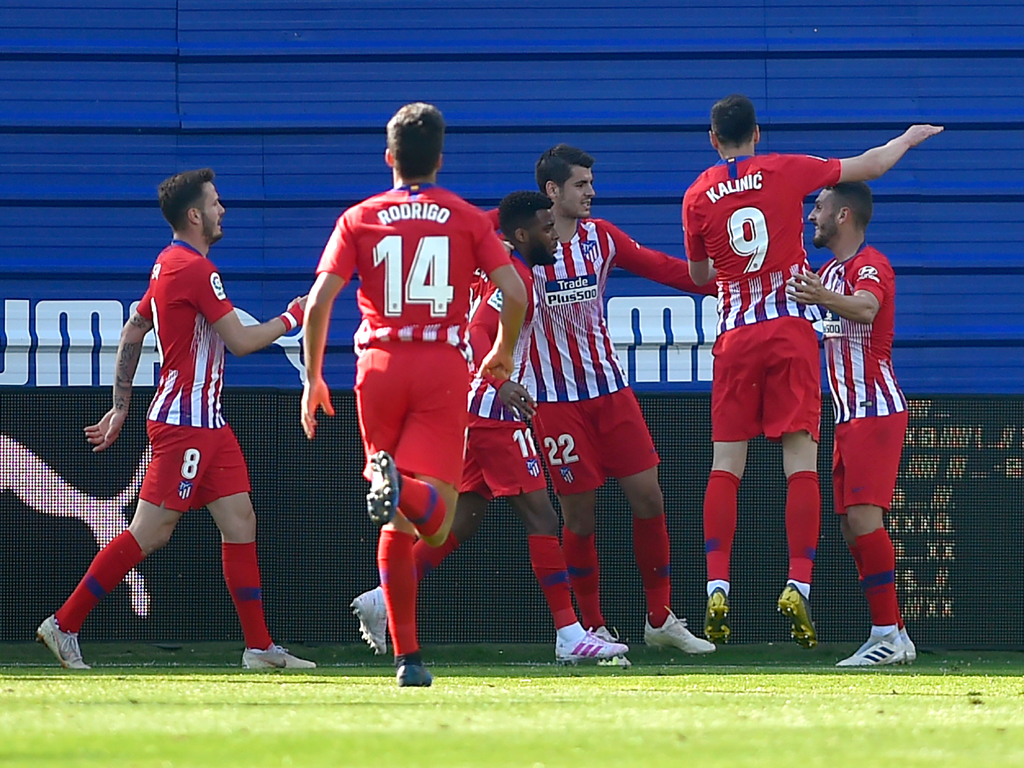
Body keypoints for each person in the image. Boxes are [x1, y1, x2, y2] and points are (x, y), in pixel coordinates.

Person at [682, 93, 941, 647]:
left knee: (726, 464)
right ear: (756, 134)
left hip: (734, 333)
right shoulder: (782, 170)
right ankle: (798, 582)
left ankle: (715, 584)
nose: (814, 213)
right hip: (789, 329)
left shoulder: (697, 193)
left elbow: (700, 273)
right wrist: (907, 139)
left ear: (712, 139)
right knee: (800, 464)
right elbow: (869, 165)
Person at [36, 168, 315, 670]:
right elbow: (242, 342)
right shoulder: (193, 269)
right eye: (215, 203)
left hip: (208, 424)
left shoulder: (167, 264)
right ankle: (64, 624)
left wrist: (121, 406)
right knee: (150, 532)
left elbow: (135, 327)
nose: (222, 210)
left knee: (240, 521)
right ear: (195, 215)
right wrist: (295, 316)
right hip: (186, 424)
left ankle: (258, 648)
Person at [351, 191, 630, 665]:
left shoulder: (500, 262)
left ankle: (383, 598)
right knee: (542, 518)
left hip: (467, 404)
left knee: (466, 513)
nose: (555, 238)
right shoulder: (514, 274)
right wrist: (499, 381)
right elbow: (481, 329)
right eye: (546, 229)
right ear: (521, 235)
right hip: (490, 410)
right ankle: (568, 634)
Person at [301, 103, 527, 687]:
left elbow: (321, 300)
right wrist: (502, 350)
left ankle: (409, 659)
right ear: (440, 158)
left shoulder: (361, 217)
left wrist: (312, 378)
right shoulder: (464, 217)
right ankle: (397, 485)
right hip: (439, 368)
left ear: (389, 157)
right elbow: (512, 290)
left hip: (376, 364)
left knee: (396, 522)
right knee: (435, 519)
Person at [523, 144, 715, 654]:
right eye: (581, 185)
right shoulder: (522, 247)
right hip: (555, 403)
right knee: (579, 517)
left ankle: (659, 617)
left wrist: (730, 285)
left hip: (611, 392)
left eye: (591, 183)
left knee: (649, 498)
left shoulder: (601, 239)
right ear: (552, 191)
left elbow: (664, 268)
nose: (591, 192)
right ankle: (592, 625)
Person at [786, 182, 915, 666]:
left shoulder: (868, 265)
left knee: (864, 519)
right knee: (849, 526)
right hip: (848, 416)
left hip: (875, 411)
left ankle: (886, 634)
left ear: (843, 216)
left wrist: (821, 296)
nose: (810, 217)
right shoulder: (831, 272)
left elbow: (867, 307)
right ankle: (895, 631)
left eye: (817, 208)